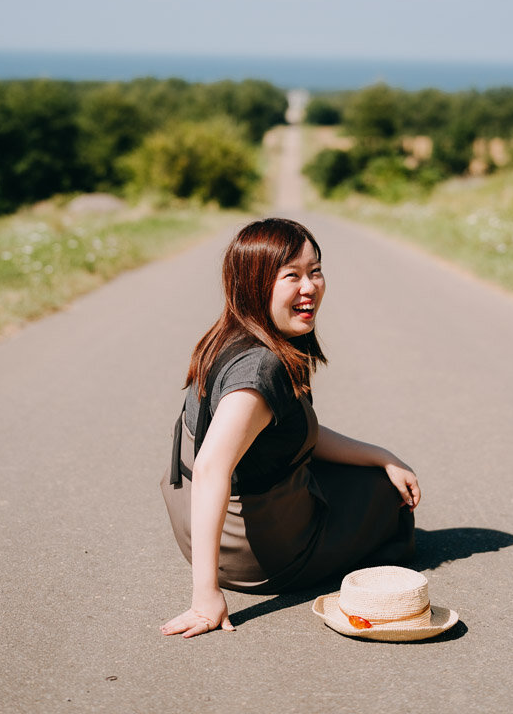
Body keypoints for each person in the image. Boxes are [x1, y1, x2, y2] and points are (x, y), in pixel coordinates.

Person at [160, 217, 420, 638]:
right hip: (260, 557)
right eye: (292, 276)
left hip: (206, 538)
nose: (310, 287)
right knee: (384, 496)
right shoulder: (261, 368)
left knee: (363, 473)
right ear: (254, 284)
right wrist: (204, 596)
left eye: (315, 271)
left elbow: (296, 435)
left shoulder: (227, 336)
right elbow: (211, 468)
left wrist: (382, 455)